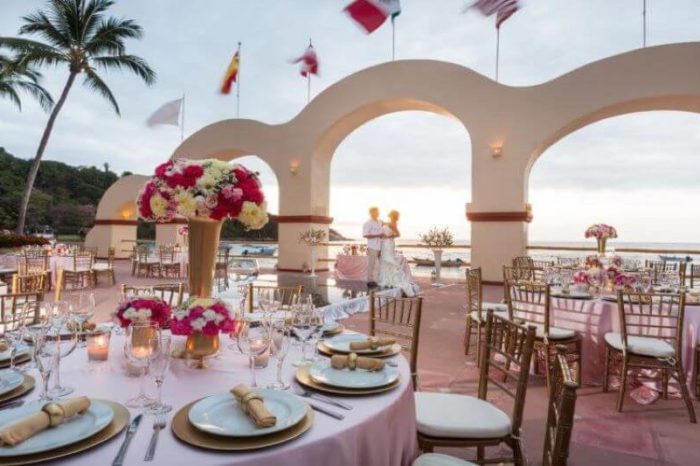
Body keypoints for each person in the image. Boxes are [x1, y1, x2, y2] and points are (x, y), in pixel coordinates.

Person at [378, 210, 417, 296]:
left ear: (392, 216)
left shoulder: (393, 223)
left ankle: (402, 284)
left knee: (389, 260)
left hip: (388, 244)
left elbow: (398, 234)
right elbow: (382, 225)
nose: (390, 217)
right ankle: (388, 280)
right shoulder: (389, 223)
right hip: (384, 244)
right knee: (385, 261)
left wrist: (388, 236)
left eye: (391, 215)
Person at [362, 207, 384, 287]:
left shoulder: (379, 222)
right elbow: (365, 235)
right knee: (371, 264)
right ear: (371, 213)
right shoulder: (367, 223)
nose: (377, 213)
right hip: (372, 246)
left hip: (380, 246)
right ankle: (369, 281)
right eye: (375, 212)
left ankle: (376, 280)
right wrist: (378, 235)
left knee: (378, 264)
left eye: (378, 212)